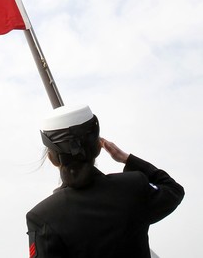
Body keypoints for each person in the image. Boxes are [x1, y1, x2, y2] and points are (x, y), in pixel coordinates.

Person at [26, 105, 184, 258]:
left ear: (52, 158)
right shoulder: (133, 187)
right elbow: (173, 190)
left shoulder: (42, 216)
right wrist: (128, 159)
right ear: (98, 146)